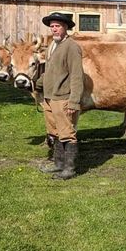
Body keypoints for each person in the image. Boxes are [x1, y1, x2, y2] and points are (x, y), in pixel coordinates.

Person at [36, 12, 84, 180]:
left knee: (67, 133)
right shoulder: (52, 45)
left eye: (58, 26)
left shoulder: (72, 47)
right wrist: (38, 84)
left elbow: (77, 76)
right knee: (54, 132)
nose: (54, 29)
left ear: (65, 27)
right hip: (50, 97)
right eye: (52, 26)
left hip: (63, 97)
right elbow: (51, 71)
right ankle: (58, 164)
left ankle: (69, 169)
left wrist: (74, 101)